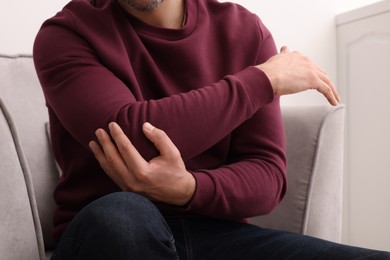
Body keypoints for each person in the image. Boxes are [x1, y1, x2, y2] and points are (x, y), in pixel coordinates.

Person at [33, 0, 389, 259]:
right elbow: (132, 138)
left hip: (219, 236)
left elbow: (267, 178)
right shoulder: (66, 33)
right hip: (108, 238)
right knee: (122, 216)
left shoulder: (245, 31)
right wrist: (262, 80)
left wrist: (189, 188)